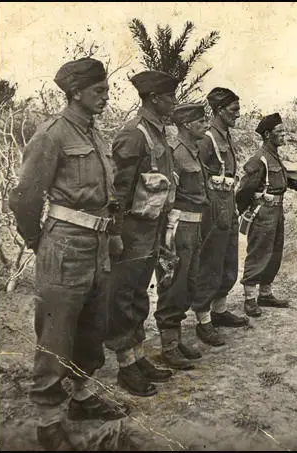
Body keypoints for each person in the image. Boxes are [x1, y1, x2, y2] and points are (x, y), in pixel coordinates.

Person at [8, 57, 129, 450]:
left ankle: (82, 397)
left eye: (107, 90)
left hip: (97, 246)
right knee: (57, 333)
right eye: (98, 91)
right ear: (75, 92)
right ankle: (48, 419)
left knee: (92, 328)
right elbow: (24, 197)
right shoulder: (52, 135)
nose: (105, 98)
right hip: (63, 246)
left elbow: (107, 196)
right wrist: (36, 240)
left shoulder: (95, 135)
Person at [105, 70, 186, 398]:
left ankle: (137, 358)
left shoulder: (157, 133)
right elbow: (119, 192)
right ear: (154, 98)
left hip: (150, 228)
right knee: (124, 297)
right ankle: (126, 366)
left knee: (138, 294)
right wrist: (115, 233)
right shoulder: (134, 134)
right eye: (169, 97)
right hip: (132, 230)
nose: (174, 102)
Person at [156, 103, 219, 356]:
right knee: (174, 284)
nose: (205, 124)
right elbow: (167, 197)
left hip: (195, 226)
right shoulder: (174, 153)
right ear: (185, 125)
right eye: (200, 121)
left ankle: (176, 339)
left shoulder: (193, 151)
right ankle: (169, 345)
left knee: (189, 283)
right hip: (179, 227)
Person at [192, 87, 249, 345]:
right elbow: (195, 175)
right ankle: (203, 321)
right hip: (212, 206)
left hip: (228, 203)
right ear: (217, 110)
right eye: (233, 109)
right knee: (210, 263)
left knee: (228, 261)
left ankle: (219, 311)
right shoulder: (206, 139)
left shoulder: (225, 136)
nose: (238, 114)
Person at [236, 113, 292, 317]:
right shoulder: (259, 159)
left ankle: (265, 294)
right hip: (263, 213)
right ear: (268, 134)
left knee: (274, 252)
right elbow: (244, 190)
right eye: (280, 131)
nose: (284, 134)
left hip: (277, 212)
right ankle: (250, 298)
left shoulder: (274, 155)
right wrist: (244, 210)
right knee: (258, 253)